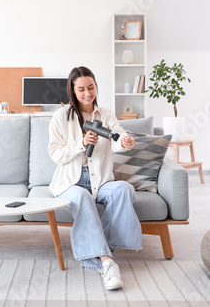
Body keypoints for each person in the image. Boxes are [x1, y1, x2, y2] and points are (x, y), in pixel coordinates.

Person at [48, 66, 142, 290]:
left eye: (91, 87)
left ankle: (102, 251)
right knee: (81, 196)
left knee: (124, 190)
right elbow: (55, 154)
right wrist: (80, 143)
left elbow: (118, 134)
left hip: (100, 181)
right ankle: (107, 263)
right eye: (81, 89)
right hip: (70, 181)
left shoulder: (106, 115)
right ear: (72, 90)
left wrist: (125, 141)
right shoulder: (61, 117)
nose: (87, 93)